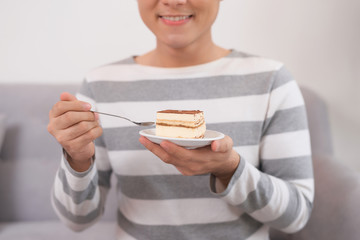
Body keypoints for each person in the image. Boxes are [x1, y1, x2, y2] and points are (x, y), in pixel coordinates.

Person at [47, 0, 314, 239]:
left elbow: (296, 216)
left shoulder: (271, 81)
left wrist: (230, 170)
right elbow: (76, 220)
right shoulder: (100, 85)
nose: (173, 1)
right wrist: (78, 159)